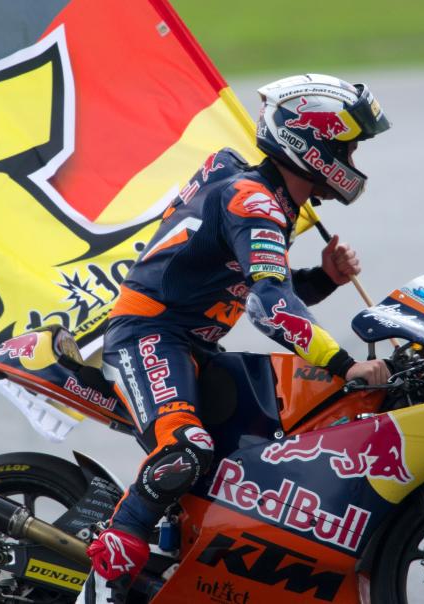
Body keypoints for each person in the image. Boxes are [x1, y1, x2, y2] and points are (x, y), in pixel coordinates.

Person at [80, 73, 391, 603]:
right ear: (314, 143)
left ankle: (178, 553)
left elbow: (264, 293)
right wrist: (344, 365)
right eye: (349, 147)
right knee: (186, 448)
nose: (354, 162)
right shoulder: (255, 203)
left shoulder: (267, 199)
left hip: (196, 345)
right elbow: (271, 308)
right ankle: (111, 568)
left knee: (261, 451)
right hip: (150, 335)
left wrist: (324, 280)